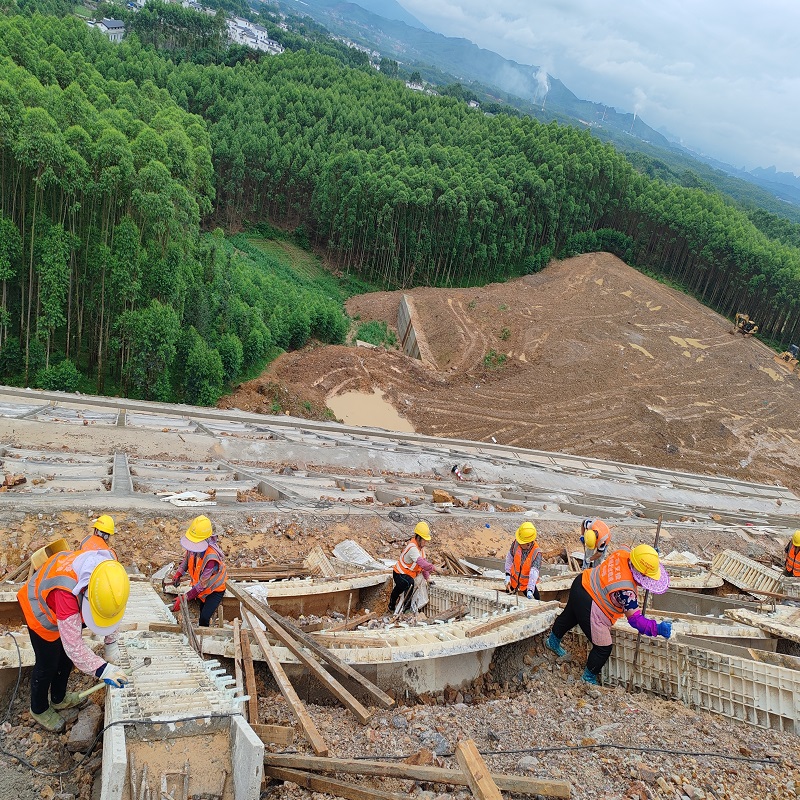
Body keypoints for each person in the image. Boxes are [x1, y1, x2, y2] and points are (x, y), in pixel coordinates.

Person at [17, 550, 130, 732]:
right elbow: (74, 647)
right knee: (48, 664)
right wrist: (104, 670)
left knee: (65, 659)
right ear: (86, 593)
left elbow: (114, 609)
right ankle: (38, 708)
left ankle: (59, 698)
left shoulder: (110, 574)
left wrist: (111, 643)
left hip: (62, 610)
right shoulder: (66, 594)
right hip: (40, 612)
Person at [545, 545, 672, 685]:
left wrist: (648, 555)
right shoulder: (626, 591)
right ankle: (588, 678)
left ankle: (552, 641)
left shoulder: (623, 553)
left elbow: (630, 551)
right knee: (603, 648)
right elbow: (636, 621)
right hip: (591, 602)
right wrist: (657, 628)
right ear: (641, 574)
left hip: (582, 582)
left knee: (570, 616)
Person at [171, 515, 227, 627]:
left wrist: (183, 599)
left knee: (204, 618)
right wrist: (179, 573)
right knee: (202, 611)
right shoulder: (194, 547)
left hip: (214, 589)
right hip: (201, 589)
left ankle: (205, 638)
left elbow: (202, 584)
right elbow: (187, 559)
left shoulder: (211, 558)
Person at [389, 521, 437, 613]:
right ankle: (405, 609)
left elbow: (423, 566)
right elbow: (422, 563)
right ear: (418, 538)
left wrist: (428, 579)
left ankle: (392, 605)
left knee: (399, 589)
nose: (426, 542)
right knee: (409, 584)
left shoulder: (421, 550)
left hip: (407, 574)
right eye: (424, 540)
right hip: (399, 574)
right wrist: (435, 568)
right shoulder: (412, 548)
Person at [504, 522, 541, 600]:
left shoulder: (536, 552)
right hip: (513, 580)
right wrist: (507, 575)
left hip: (526, 584)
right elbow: (510, 557)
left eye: (521, 542)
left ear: (529, 543)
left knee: (537, 600)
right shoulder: (516, 543)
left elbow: (534, 573)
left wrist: (530, 589)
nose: (519, 543)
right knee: (506, 599)